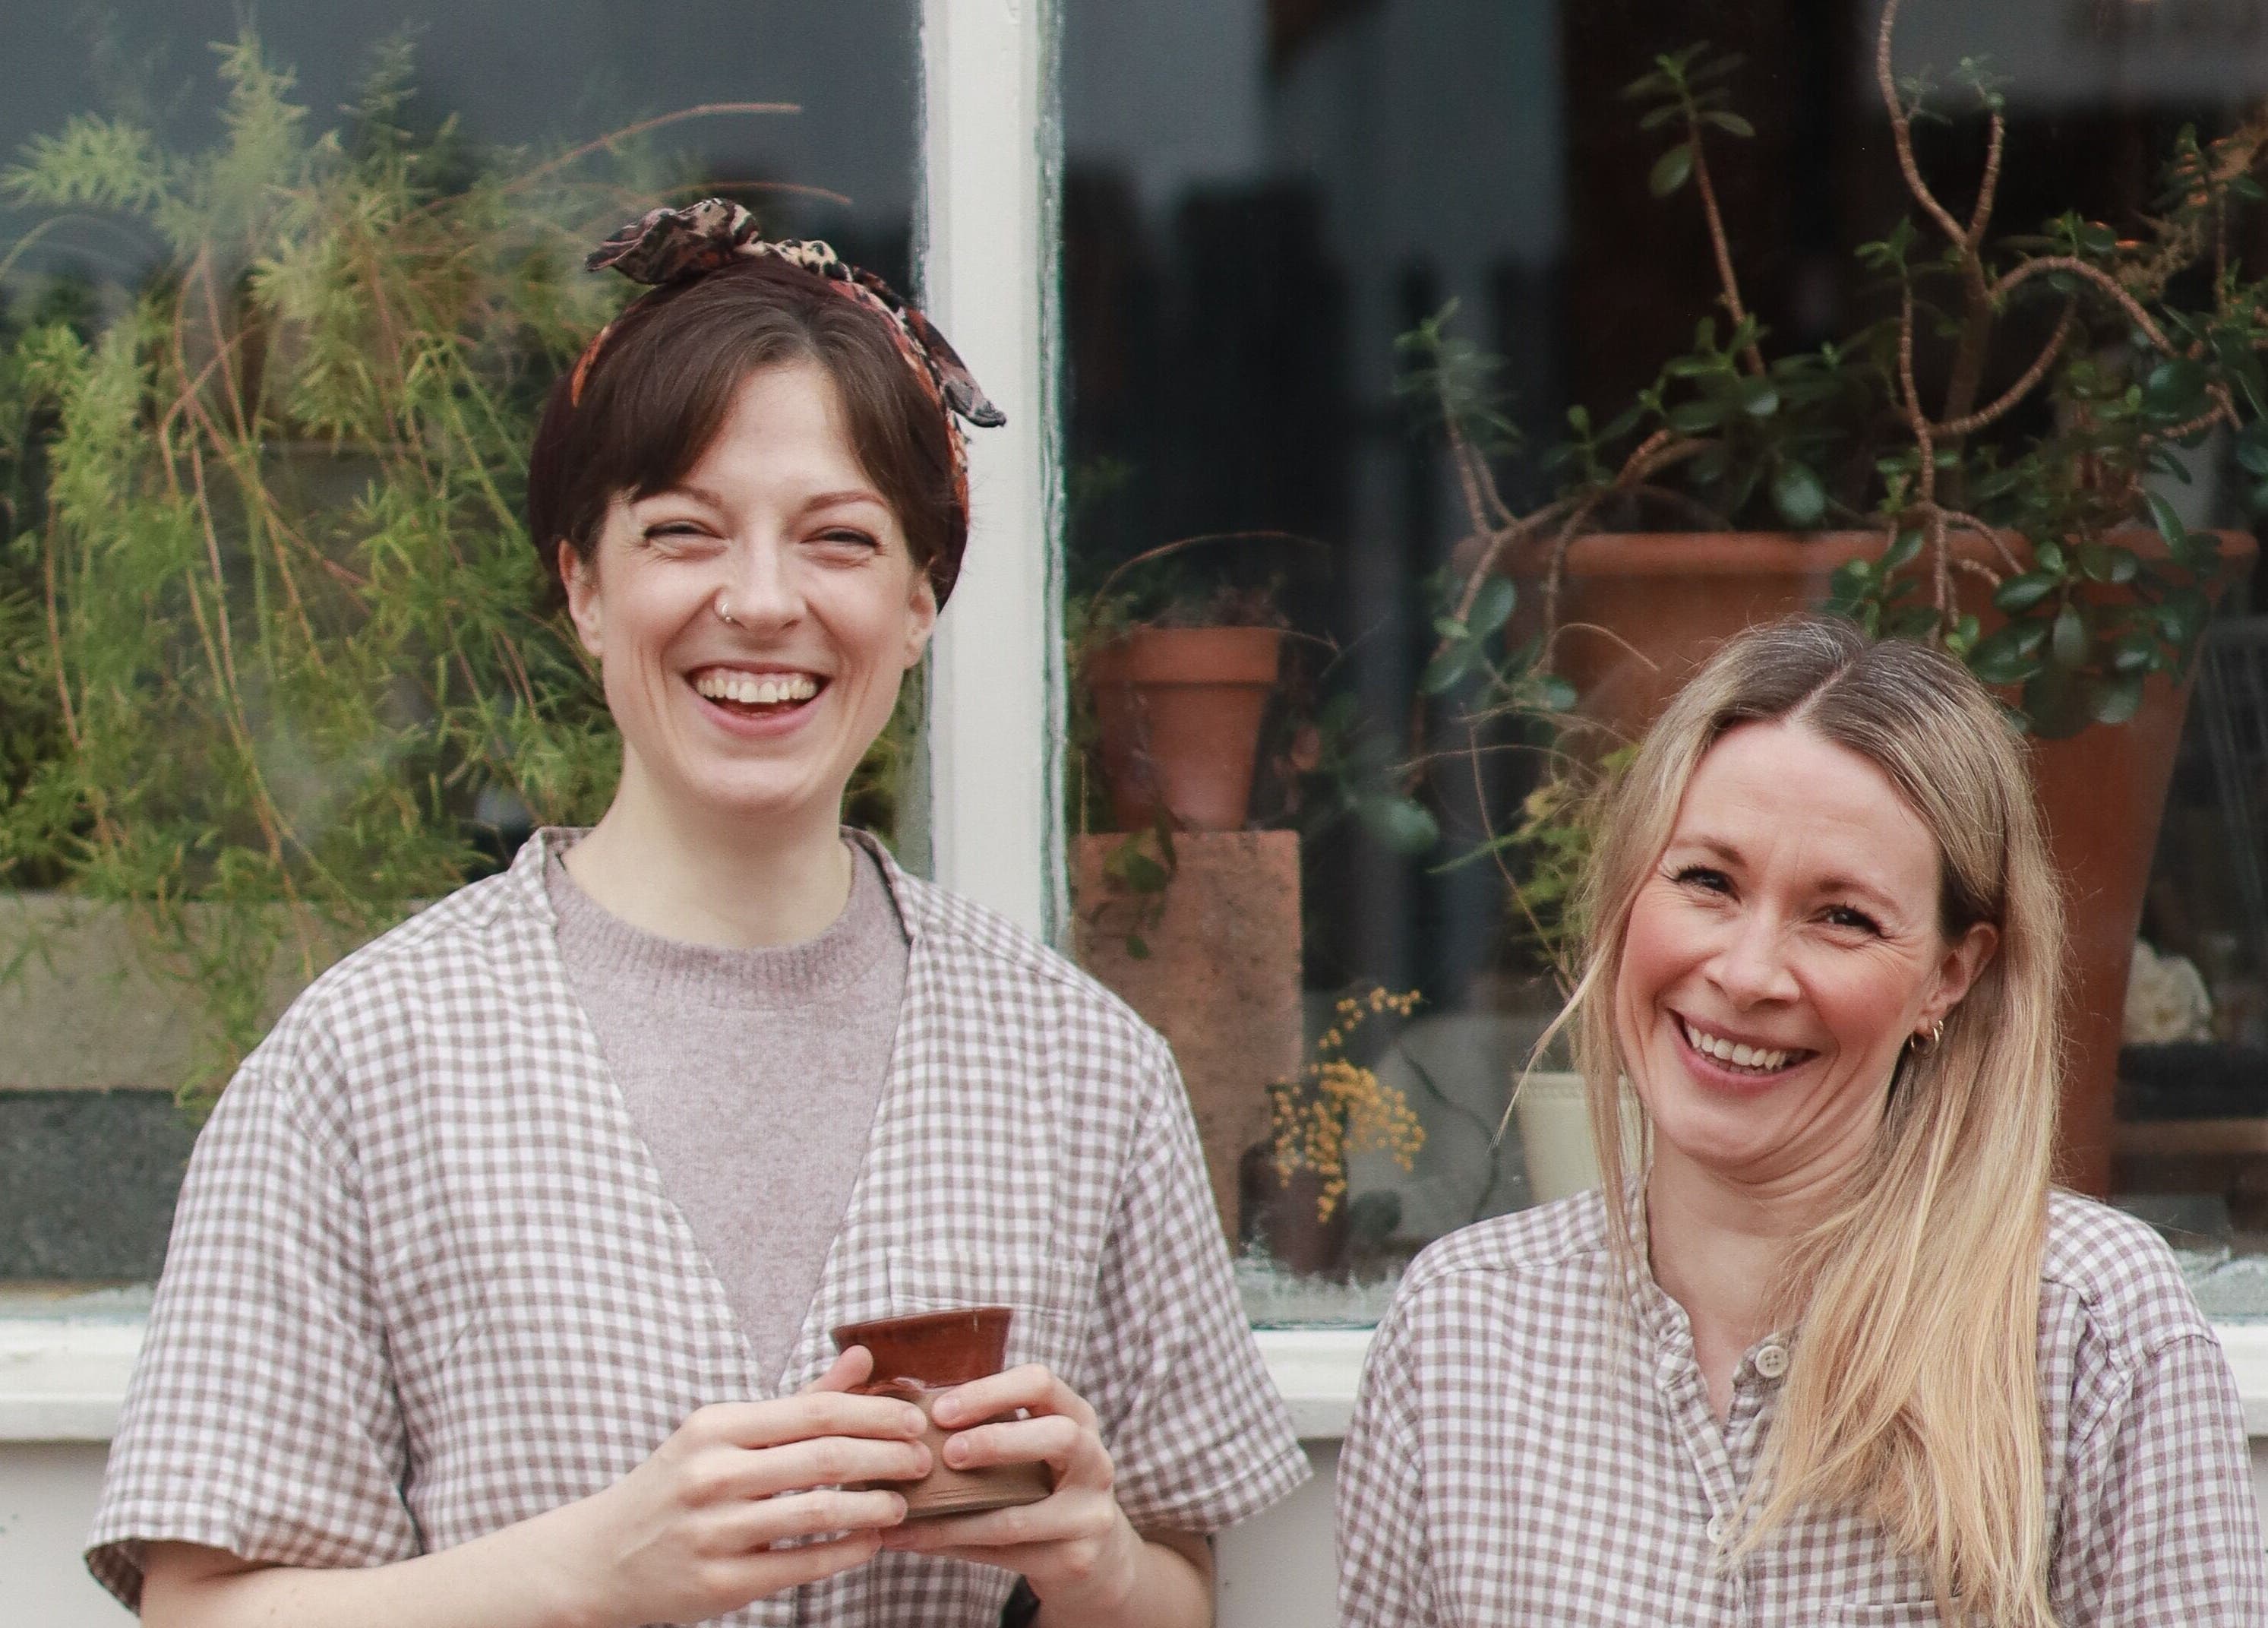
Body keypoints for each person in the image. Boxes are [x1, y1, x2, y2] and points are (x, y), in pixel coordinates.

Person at [87, 198, 1306, 1628]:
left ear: (921, 604)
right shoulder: (365, 1060)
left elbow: (1182, 1591)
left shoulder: (1079, 1069)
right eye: (683, 533)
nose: (762, 601)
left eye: (840, 541)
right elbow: (201, 1611)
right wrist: (595, 1571)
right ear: (583, 587)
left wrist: (1093, 1560)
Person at [1336, 615, 2265, 1626]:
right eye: (1706, 882)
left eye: (1841, 916)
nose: (1743, 973)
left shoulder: (2091, 1337)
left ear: (1949, 976)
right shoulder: (1459, 1330)